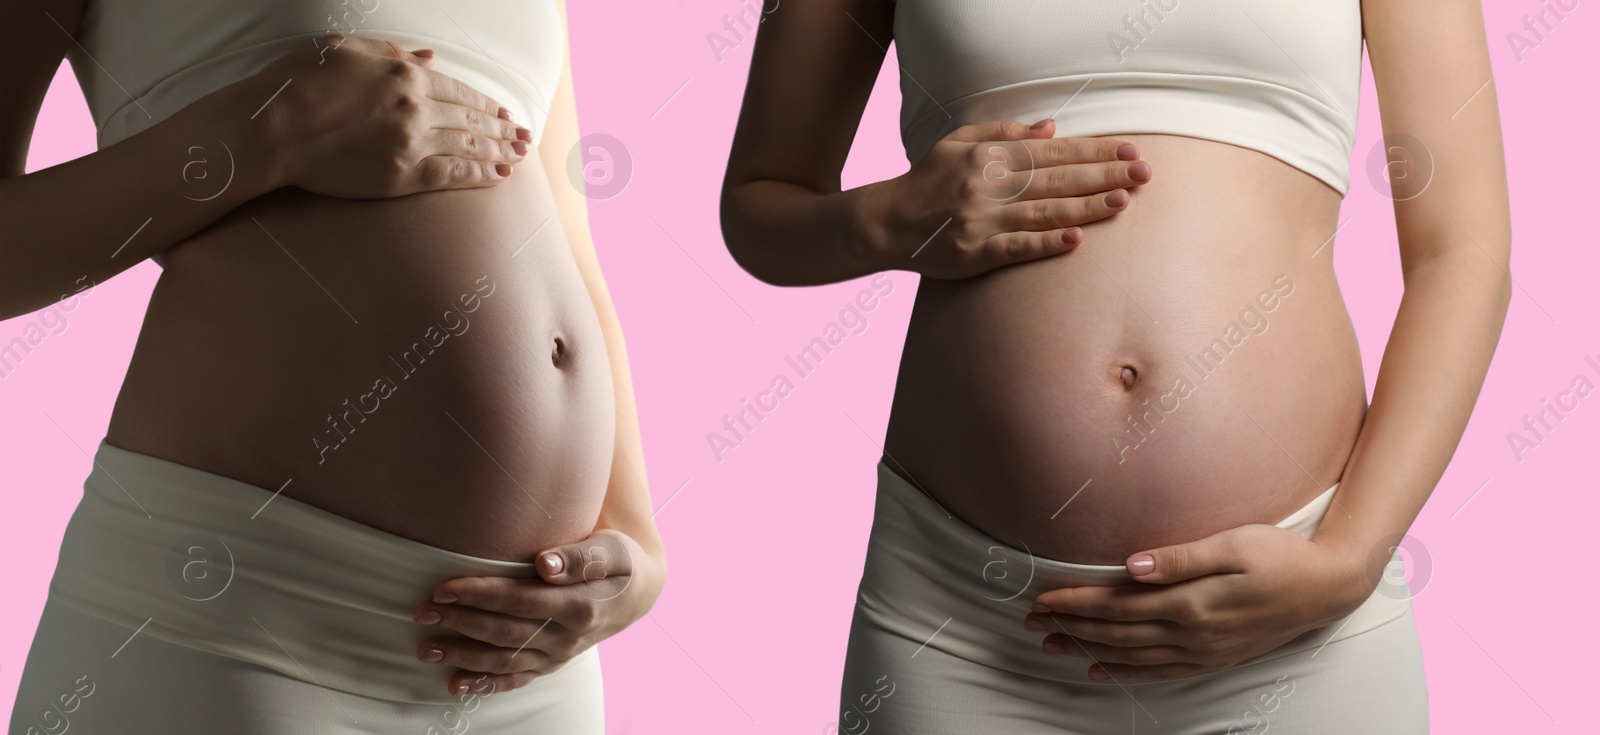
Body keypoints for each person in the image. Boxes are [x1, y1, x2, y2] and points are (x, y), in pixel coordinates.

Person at [721, 0, 1510, 731]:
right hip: (962, 622)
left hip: (1297, 623)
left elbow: (1461, 251)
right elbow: (761, 201)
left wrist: (1345, 559)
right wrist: (892, 218)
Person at [3, 2, 662, 732]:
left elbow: (573, 256)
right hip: (240, 622)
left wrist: (637, 540)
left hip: (528, 662)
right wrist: (262, 133)